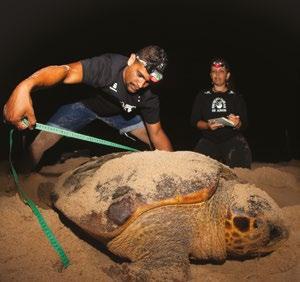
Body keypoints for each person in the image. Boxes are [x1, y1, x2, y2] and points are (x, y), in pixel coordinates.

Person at [3, 45, 173, 168]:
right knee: (39, 144)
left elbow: (157, 133)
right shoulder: (107, 66)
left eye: (147, 82)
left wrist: (176, 163)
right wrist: (25, 87)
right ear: (131, 59)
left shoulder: (149, 96)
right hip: (84, 105)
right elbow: (66, 71)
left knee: (156, 145)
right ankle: (19, 181)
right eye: (139, 74)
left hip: (120, 113)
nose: (140, 84)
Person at [190, 58, 252, 168]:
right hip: (209, 139)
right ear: (210, 75)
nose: (217, 74)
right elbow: (194, 122)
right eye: (214, 71)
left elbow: (245, 124)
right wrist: (207, 125)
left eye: (221, 71)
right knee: (195, 168)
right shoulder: (202, 96)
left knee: (242, 170)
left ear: (227, 75)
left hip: (232, 138)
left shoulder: (236, 97)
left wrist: (238, 123)